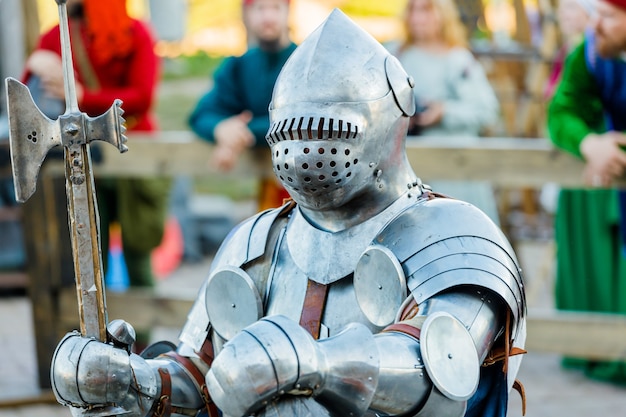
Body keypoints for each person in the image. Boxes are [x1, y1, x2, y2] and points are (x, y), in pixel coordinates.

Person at [49, 9, 527, 417]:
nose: (308, 153)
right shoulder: (258, 242)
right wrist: (136, 380)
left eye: (330, 132)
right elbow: (202, 372)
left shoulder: (453, 237)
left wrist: (313, 365)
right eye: (294, 133)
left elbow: (436, 366)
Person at [23, 0, 170, 350]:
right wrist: (34, 66)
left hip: (135, 158)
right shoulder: (57, 34)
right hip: (86, 161)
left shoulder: (136, 33)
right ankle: (99, 349)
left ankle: (144, 351)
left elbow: (142, 97)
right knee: (90, 257)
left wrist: (87, 95)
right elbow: (31, 97)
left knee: (138, 257)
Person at [547, 0, 626, 384]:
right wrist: (589, 143)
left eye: (608, 16)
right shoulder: (591, 53)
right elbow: (560, 111)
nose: (595, 25)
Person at [386, 0, 501, 225]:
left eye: (426, 9)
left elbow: (487, 110)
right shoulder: (394, 56)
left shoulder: (458, 60)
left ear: (442, 14)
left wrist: (444, 112)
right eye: (414, 9)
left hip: (454, 171)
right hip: (407, 170)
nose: (419, 17)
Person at [188, 0, 296, 211]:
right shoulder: (239, 66)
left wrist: (244, 132)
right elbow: (202, 114)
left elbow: (300, 120)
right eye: (260, 8)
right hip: (268, 190)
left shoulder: (306, 62)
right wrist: (221, 129)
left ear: (287, 11)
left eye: (275, 8)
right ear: (247, 14)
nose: (268, 17)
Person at [544, 0, 596, 99]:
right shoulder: (567, 48)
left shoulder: (593, 52)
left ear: (590, 12)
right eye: (560, 7)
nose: (562, 12)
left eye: (570, 7)